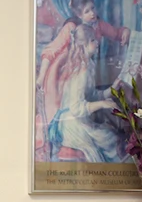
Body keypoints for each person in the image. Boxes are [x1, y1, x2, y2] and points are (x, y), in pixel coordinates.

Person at [35, 0, 130, 154]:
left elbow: (115, 33)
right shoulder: (71, 28)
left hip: (87, 71)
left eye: (93, 8)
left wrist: (125, 32)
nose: (92, 13)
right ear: (78, 14)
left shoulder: (97, 24)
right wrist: (41, 76)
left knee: (108, 126)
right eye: (87, 11)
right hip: (66, 75)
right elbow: (51, 50)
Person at [47, 23, 125, 163]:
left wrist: (112, 88)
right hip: (71, 124)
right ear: (84, 45)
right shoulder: (81, 71)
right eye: (93, 40)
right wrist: (102, 104)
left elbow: (91, 96)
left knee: (111, 137)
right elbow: (76, 108)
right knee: (109, 140)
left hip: (79, 119)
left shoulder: (89, 64)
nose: (97, 42)